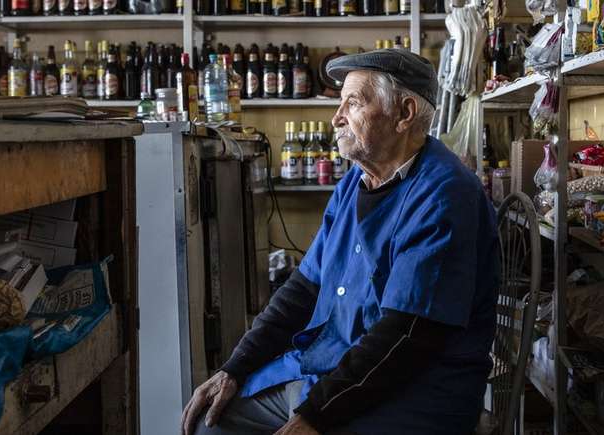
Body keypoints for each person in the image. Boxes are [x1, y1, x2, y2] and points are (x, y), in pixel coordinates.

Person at [182, 48, 499, 435]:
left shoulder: (444, 194)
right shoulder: (353, 182)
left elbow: (407, 337)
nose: (336, 118)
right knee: (209, 421)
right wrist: (235, 367)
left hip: (413, 394)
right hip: (336, 370)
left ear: (404, 113)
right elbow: (303, 288)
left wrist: (317, 414)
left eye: (353, 103)